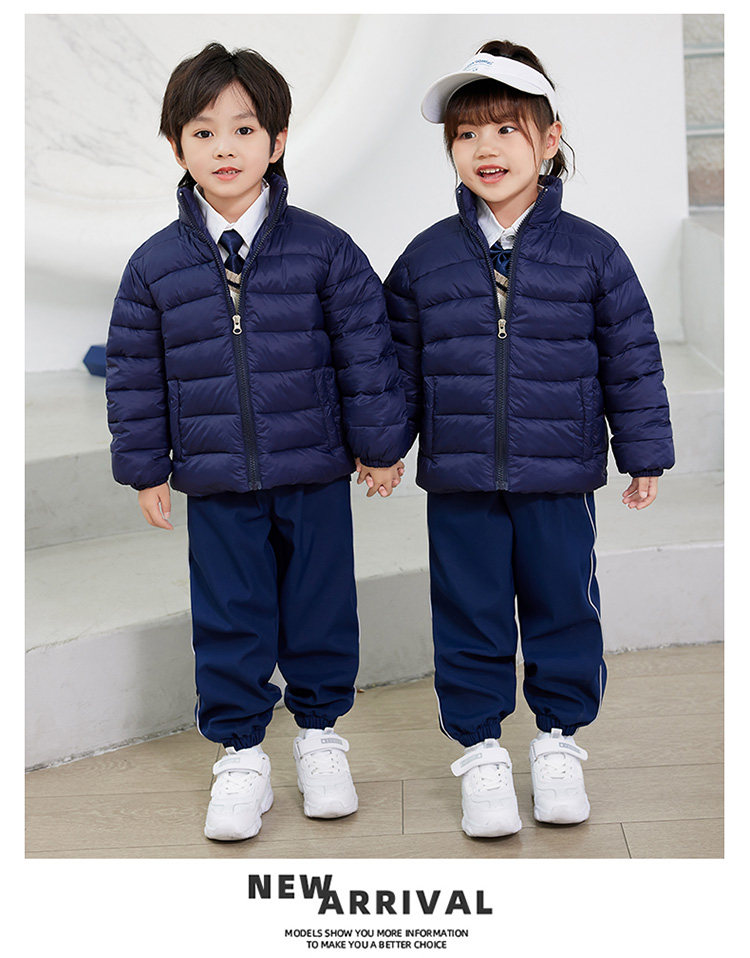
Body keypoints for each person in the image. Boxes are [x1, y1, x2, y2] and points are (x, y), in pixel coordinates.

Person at [105, 43, 407, 842]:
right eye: (203, 133)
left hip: (315, 468)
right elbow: (134, 373)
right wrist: (145, 468)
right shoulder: (154, 266)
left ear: (277, 141)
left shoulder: (325, 249)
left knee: (319, 606)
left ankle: (320, 738)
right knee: (230, 616)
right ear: (177, 147)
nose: (225, 148)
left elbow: (367, 353)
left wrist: (379, 445)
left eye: (244, 129)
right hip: (216, 479)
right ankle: (240, 755)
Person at [384, 39, 674, 837]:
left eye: (505, 129)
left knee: (563, 605)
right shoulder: (426, 260)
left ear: (549, 140)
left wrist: (642, 452)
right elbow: (395, 365)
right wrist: (383, 446)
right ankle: (480, 752)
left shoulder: (592, 254)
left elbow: (631, 357)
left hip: (559, 474)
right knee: (469, 611)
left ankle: (557, 742)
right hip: (460, 478)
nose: (485, 147)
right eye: (466, 133)